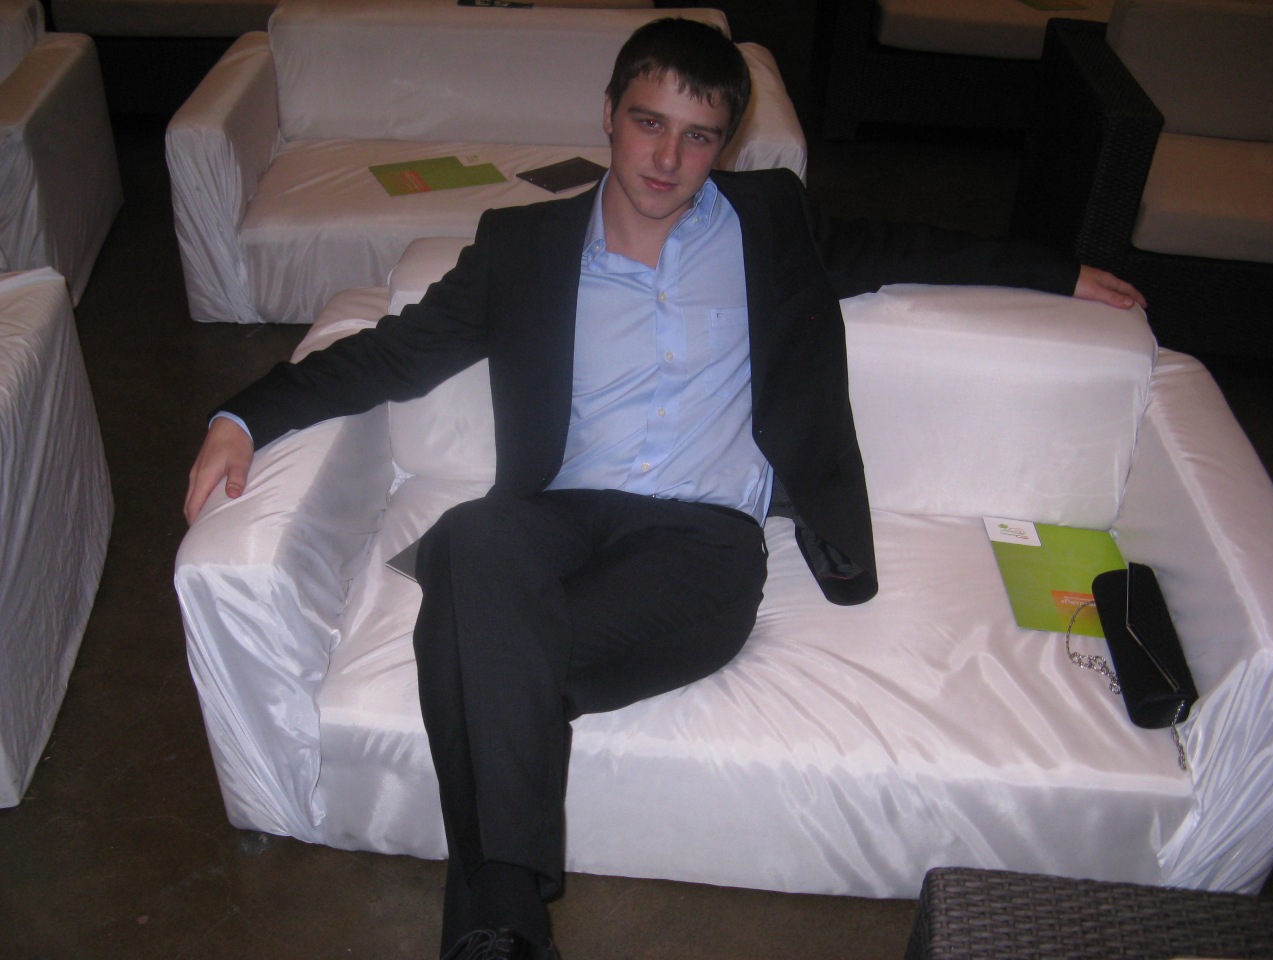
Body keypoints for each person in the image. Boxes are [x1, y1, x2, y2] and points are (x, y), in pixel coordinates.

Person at [184, 18, 1145, 960]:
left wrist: (1057, 270)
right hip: (549, 516)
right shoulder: (523, 245)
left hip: (702, 543)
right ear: (609, 114)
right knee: (475, 538)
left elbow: (906, 246)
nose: (668, 159)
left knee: (472, 643)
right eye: (649, 123)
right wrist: (246, 415)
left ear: (726, 144)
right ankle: (502, 932)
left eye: (698, 136)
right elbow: (394, 353)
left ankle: (496, 929)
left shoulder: (771, 223)